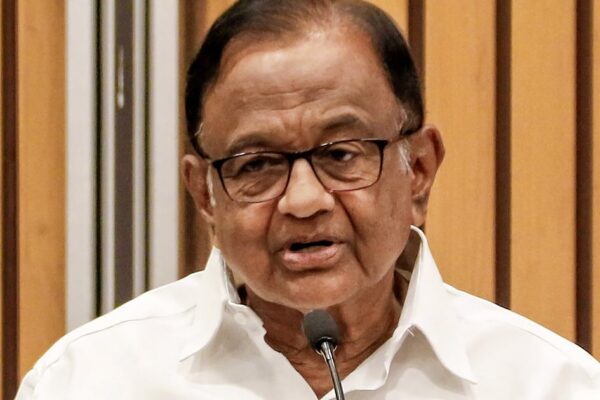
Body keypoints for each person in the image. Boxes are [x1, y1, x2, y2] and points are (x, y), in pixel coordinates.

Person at [16, 0, 600, 399]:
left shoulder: (548, 384)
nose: (303, 201)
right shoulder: (90, 381)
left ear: (419, 170)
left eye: (341, 154)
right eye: (256, 164)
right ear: (204, 196)